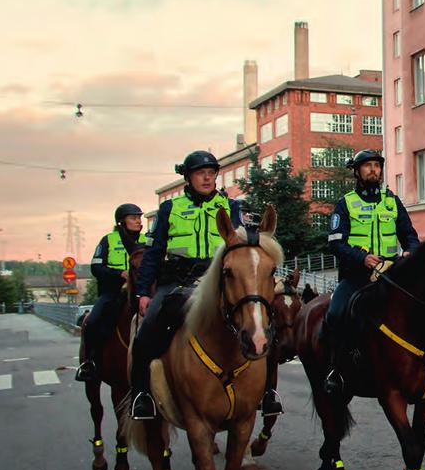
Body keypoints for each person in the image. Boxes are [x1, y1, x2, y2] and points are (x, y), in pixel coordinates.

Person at [129, 151, 281, 419]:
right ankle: (142, 395)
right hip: (177, 280)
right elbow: (153, 252)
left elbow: (240, 248)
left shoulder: (231, 206)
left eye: (211, 173)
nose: (207, 177)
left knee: (264, 323)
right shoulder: (170, 209)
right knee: (148, 329)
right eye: (201, 173)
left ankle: (268, 392)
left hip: (217, 279)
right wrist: (143, 291)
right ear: (188, 178)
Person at [324, 149, 420, 394]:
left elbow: (409, 236)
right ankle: (335, 369)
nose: (373, 170)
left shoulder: (392, 201)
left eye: (377, 165)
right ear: (357, 171)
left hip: (391, 277)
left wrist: (411, 252)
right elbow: (335, 242)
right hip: (357, 277)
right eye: (368, 166)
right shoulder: (345, 204)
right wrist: (362, 258)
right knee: (335, 314)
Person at [75, 204, 146, 382]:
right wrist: (119, 274)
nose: (138, 221)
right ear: (121, 222)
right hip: (113, 292)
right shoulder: (108, 240)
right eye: (133, 217)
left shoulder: (147, 240)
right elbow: (96, 267)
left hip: (141, 290)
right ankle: (89, 362)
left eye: (139, 217)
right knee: (92, 321)